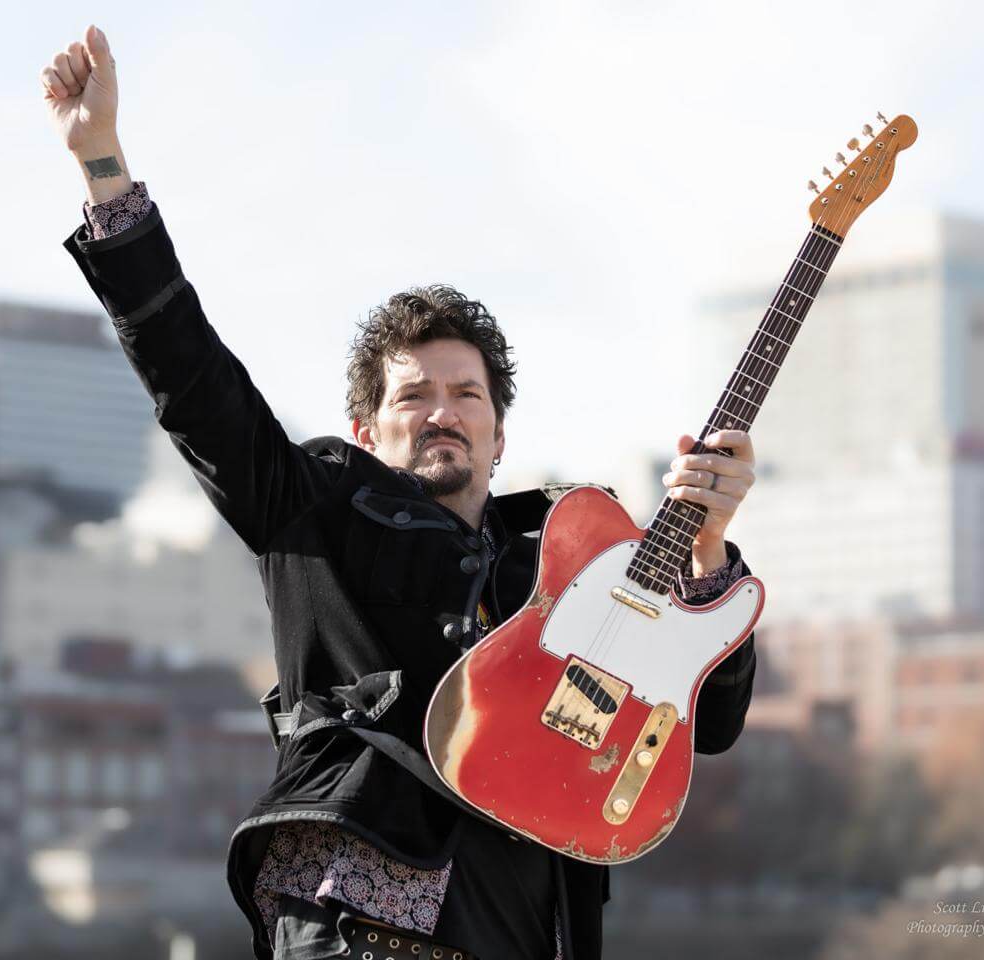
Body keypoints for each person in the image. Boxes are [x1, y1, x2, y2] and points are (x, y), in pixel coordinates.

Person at [42, 26, 759, 960]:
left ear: (501, 436)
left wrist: (709, 548)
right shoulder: (312, 506)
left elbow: (707, 723)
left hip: (521, 927)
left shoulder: (572, 566)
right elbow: (192, 382)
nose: (442, 413)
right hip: (356, 917)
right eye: (412, 396)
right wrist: (103, 162)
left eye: (467, 395)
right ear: (366, 428)